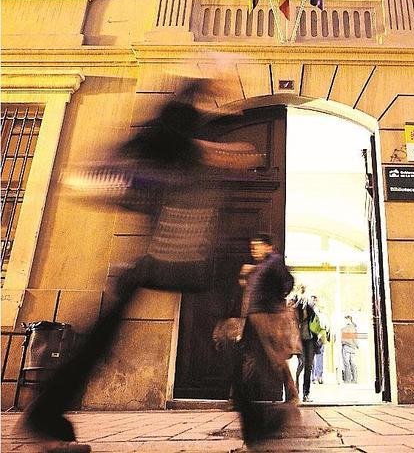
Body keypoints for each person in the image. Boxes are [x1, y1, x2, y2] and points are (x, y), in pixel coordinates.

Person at [19, 81, 262, 453]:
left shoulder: (185, 137)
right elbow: (166, 156)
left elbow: (225, 155)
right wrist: (212, 148)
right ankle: (45, 414)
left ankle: (258, 424)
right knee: (220, 335)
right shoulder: (174, 137)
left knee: (221, 334)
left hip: (185, 259)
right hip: (172, 256)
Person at [233, 232, 300, 444]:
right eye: (252, 245)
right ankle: (240, 396)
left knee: (274, 356)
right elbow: (251, 289)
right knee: (254, 355)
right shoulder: (260, 266)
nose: (254, 249)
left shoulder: (274, 261)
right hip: (255, 316)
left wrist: (275, 301)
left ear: (268, 247)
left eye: (258, 245)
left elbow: (287, 282)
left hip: (267, 314)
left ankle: (291, 392)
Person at [294, 288, 318, 402]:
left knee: (308, 366)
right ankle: (295, 388)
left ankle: (306, 393)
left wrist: (307, 305)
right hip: (299, 340)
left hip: (310, 340)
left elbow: (313, 317)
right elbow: (295, 316)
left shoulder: (309, 308)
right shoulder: (296, 307)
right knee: (301, 364)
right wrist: (299, 302)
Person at [311, 297, 330, 385]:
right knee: (319, 357)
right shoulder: (322, 315)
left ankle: (313, 377)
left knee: (312, 358)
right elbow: (327, 326)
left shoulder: (310, 312)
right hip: (321, 336)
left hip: (312, 336)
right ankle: (319, 376)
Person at [341, 315, 359, 384]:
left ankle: (347, 379)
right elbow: (354, 338)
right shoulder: (354, 327)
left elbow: (343, 337)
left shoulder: (346, 328)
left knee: (346, 363)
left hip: (346, 346)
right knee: (353, 363)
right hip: (352, 347)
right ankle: (354, 379)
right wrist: (356, 345)